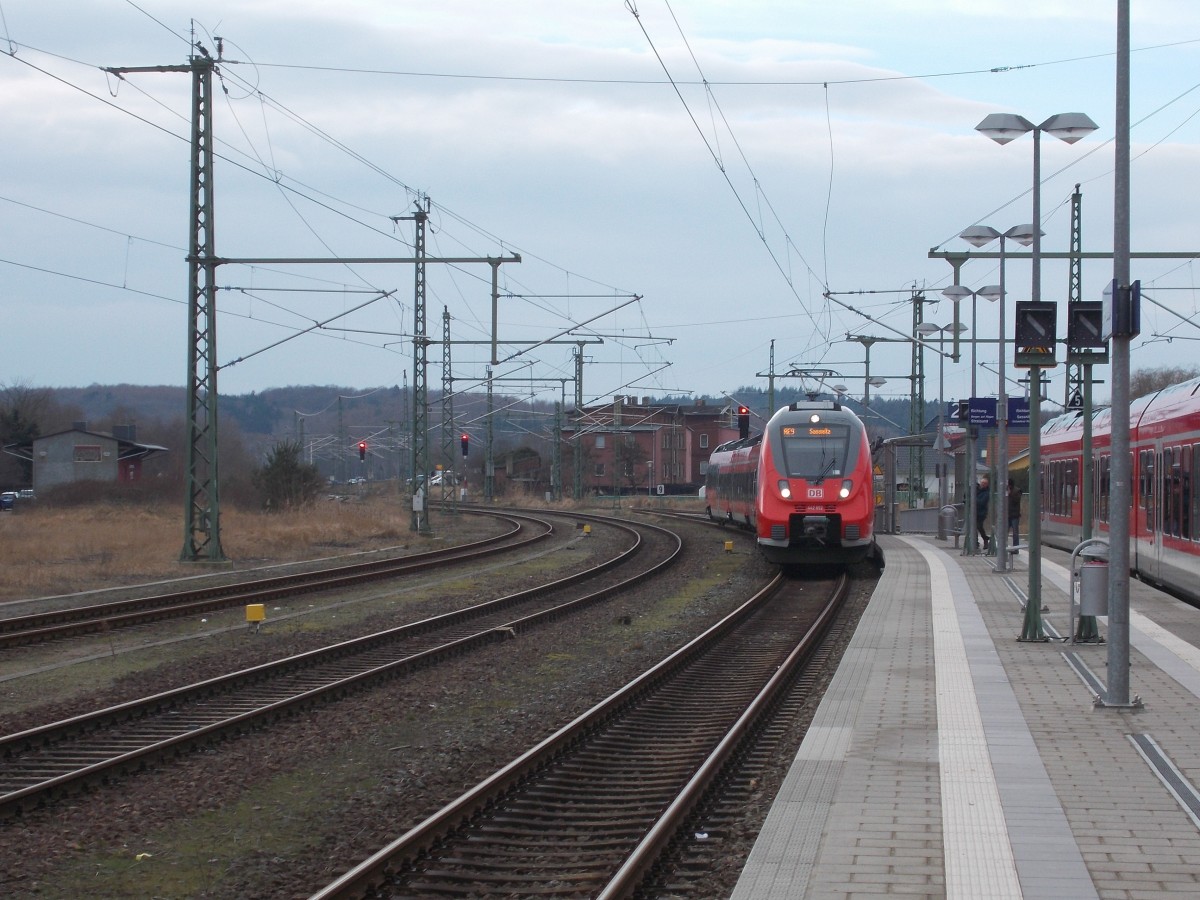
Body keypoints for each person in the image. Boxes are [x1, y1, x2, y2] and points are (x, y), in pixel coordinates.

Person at [975, 476, 990, 551]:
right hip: (975, 512)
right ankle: (975, 542)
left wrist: (974, 499)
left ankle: (985, 539)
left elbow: (982, 502)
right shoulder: (976, 491)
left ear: (987, 484)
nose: (982, 484)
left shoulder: (986, 493)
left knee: (979, 526)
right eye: (982, 483)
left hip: (981, 513)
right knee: (974, 527)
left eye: (984, 483)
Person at [1007, 478, 1022, 551]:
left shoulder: (1017, 491)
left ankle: (1016, 549)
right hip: (1007, 515)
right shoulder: (1005, 491)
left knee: (1015, 533)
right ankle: (1003, 547)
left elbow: (1017, 500)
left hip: (1014, 515)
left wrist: (1010, 494)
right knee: (1004, 532)